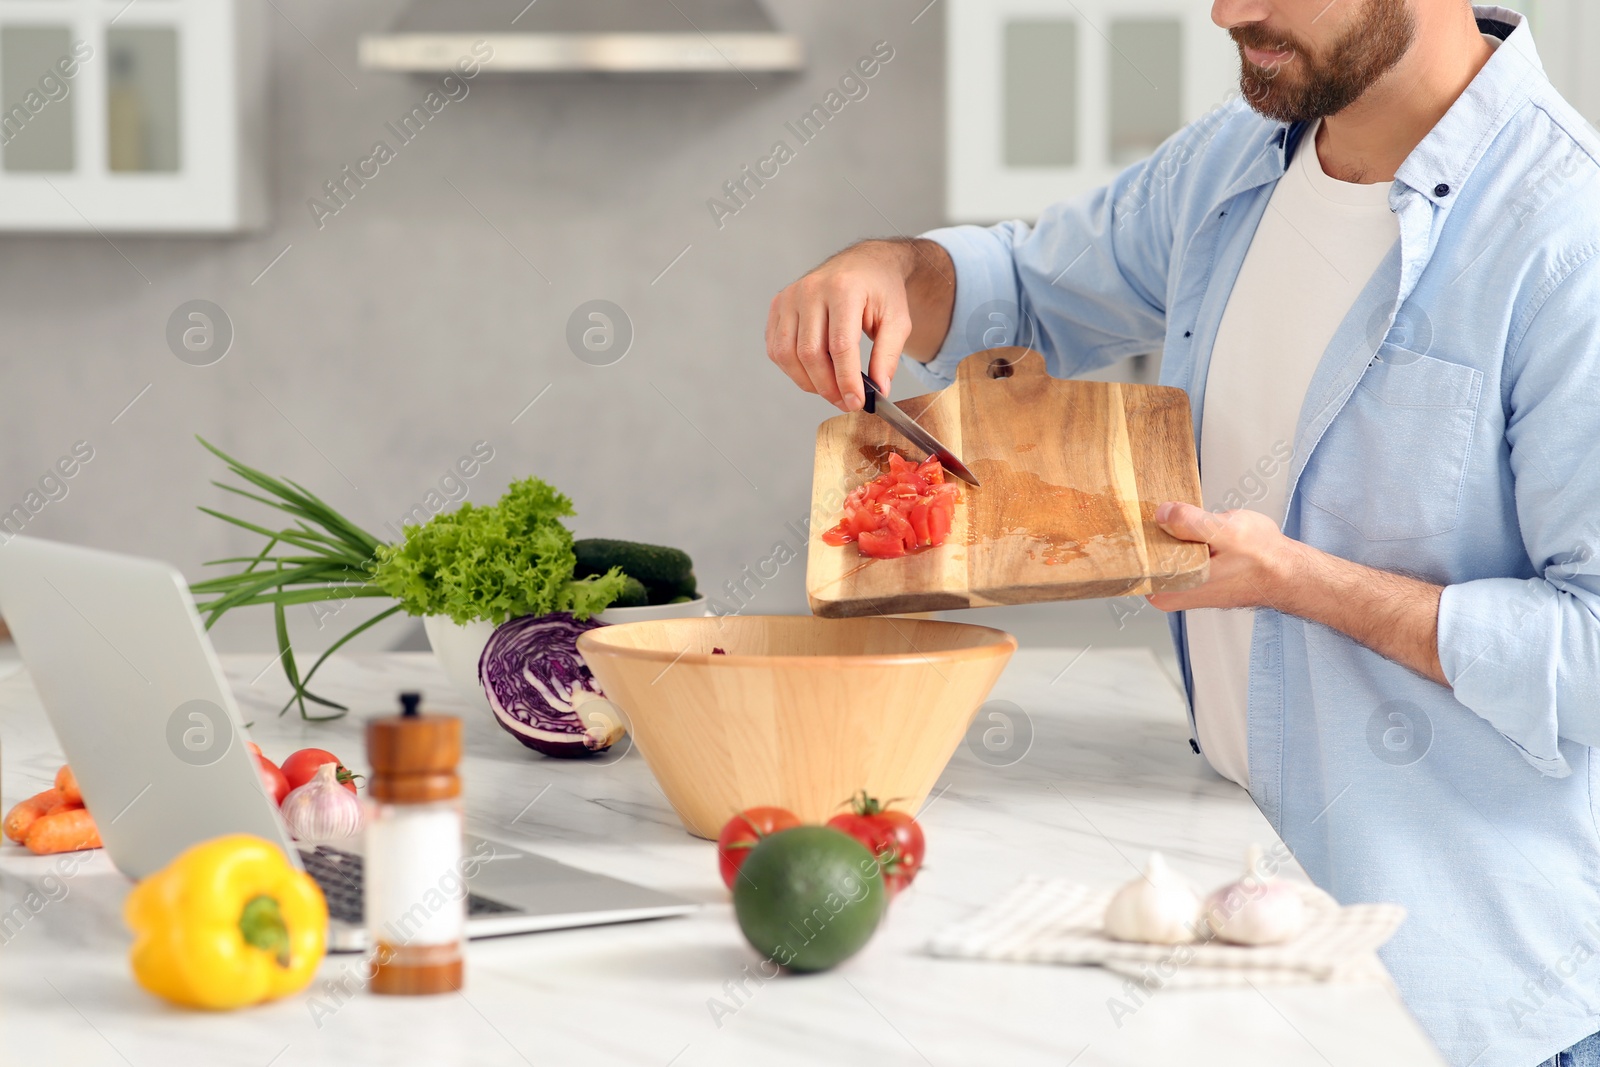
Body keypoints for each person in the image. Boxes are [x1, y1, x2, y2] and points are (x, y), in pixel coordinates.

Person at [766, 3, 1600, 1065]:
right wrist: (885, 270)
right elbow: (1025, 285)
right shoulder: (1235, 162)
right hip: (1251, 939)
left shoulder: (1567, 238)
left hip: (1460, 1005)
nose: (1227, 11)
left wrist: (1298, 581)